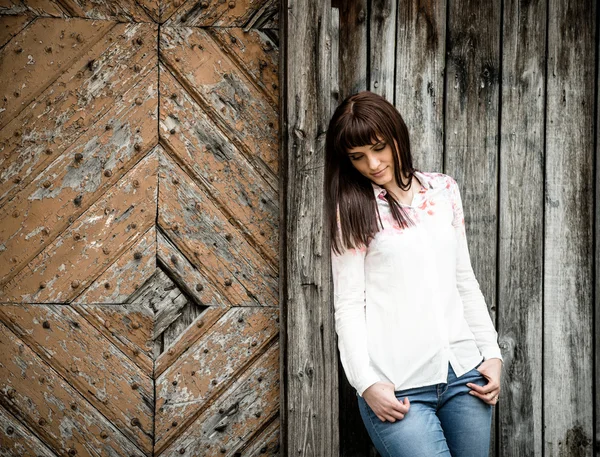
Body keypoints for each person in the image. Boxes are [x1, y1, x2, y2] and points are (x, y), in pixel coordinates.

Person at [324, 91, 503, 457]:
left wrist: (492, 354)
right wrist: (366, 382)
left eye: (379, 148)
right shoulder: (353, 209)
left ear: (396, 137)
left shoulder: (443, 190)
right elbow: (348, 304)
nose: (372, 164)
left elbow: (464, 280)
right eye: (358, 157)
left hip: (466, 377)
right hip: (399, 388)